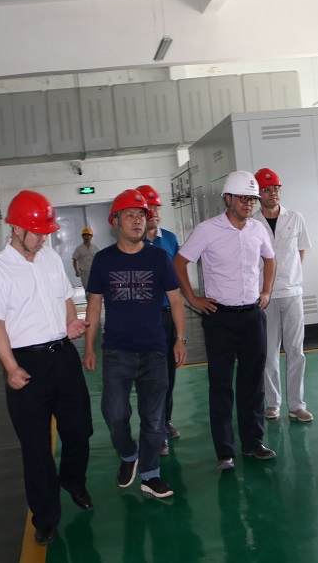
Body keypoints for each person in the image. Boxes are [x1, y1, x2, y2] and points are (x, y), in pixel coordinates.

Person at [0, 190, 93, 546]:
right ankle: (45, 515)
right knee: (36, 446)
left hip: (63, 356)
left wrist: (71, 323)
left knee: (80, 428)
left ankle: (72, 480)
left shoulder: (50, 258)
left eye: (46, 232)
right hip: (26, 363)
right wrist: (11, 368)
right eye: (38, 232)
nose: (43, 238)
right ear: (17, 229)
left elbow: (66, 298)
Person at [83, 189, 187, 499]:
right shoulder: (103, 260)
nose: (137, 220)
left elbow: (176, 301)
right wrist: (89, 347)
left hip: (154, 350)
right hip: (117, 351)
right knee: (114, 414)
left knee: (154, 420)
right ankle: (129, 454)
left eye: (141, 215)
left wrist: (179, 339)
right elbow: (94, 306)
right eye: (129, 215)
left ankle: (150, 474)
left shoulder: (158, 257)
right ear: (115, 222)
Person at [173, 171, 276, 471]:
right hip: (219, 318)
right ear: (227, 199)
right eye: (243, 198)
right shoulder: (207, 231)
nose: (248, 204)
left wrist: (266, 291)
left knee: (252, 383)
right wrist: (192, 298)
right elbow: (179, 262)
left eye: (252, 199)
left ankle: (253, 443)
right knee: (221, 385)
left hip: (253, 316)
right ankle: (225, 451)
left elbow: (270, 258)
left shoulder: (258, 230)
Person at [253, 167, 314, 423]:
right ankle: (273, 403)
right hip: (265, 295)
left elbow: (301, 251)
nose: (273, 193)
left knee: (296, 351)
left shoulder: (295, 218)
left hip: (291, 292)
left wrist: (290, 275)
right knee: (269, 353)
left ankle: (297, 405)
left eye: (276, 188)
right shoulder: (252, 223)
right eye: (267, 190)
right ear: (259, 194)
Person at [136, 184, 182, 454]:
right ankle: (155, 431)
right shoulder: (133, 244)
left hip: (167, 316)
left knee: (168, 374)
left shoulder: (171, 240)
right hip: (144, 320)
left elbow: (176, 279)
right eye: (147, 208)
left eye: (156, 207)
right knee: (150, 378)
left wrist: (180, 334)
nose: (153, 212)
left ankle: (165, 420)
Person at [71, 227, 99, 291]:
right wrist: (77, 271)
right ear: (82, 236)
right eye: (85, 235)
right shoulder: (79, 248)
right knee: (88, 290)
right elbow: (74, 259)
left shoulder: (95, 247)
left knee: (96, 289)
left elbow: (100, 257)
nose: (87, 237)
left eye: (88, 235)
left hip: (95, 272)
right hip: (84, 273)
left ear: (91, 236)